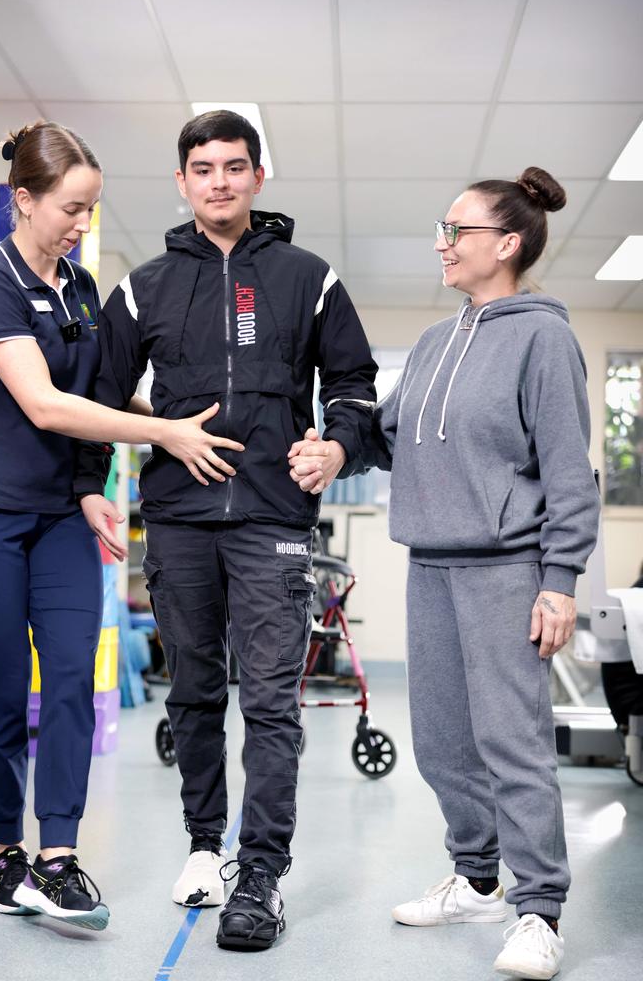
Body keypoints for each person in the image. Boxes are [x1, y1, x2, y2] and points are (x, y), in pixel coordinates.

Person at [75, 109, 377, 949]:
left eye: (234, 167)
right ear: (182, 182)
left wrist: (338, 446)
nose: (219, 181)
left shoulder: (308, 278)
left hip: (273, 518)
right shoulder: (143, 287)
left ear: (257, 178)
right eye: (203, 168)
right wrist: (120, 466)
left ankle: (262, 874)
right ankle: (205, 847)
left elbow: (354, 388)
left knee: (273, 700)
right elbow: (99, 395)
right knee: (198, 692)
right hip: (176, 518)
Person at [289, 167, 600, 979]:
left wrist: (559, 578)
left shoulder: (543, 338)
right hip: (431, 565)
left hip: (507, 568)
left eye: (455, 230)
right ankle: (478, 877)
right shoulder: (434, 343)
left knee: (513, 743)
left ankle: (540, 911)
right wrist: (337, 449)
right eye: (443, 228)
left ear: (506, 243)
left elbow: (571, 470)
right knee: (442, 744)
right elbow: (388, 437)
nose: (442, 242)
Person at [0, 120, 243, 931]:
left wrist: (155, 437)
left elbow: (99, 403)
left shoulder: (77, 289)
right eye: (71, 207)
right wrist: (164, 435)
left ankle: (60, 858)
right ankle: (8, 855)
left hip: (57, 518)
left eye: (92, 208)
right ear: (24, 200)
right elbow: (44, 403)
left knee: (71, 676)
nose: (82, 223)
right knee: (3, 689)